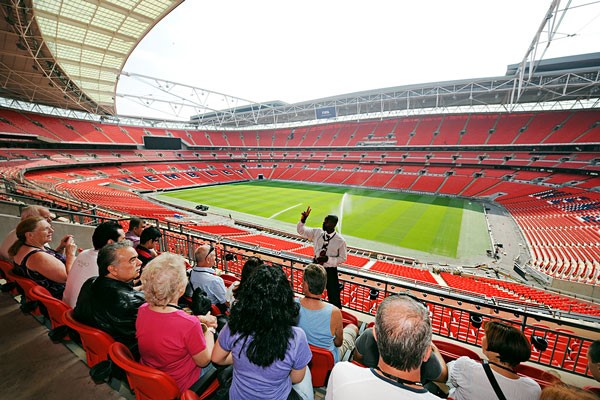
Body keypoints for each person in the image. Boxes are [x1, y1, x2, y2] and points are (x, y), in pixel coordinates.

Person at [211, 264, 312, 400]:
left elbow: (216, 358)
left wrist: (241, 358)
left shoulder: (234, 325)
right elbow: (296, 378)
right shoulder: (297, 337)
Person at [325, 295, 439, 399]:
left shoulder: (340, 373)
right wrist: (436, 350)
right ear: (427, 353)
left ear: (375, 335)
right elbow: (444, 376)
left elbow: (356, 357)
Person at [137, 253, 216, 394]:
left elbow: (167, 324)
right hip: (181, 384)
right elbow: (203, 361)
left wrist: (199, 319)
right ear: (180, 288)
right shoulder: (188, 324)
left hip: (153, 378)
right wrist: (210, 331)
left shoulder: (142, 310)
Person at [73, 241, 145, 353]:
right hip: (128, 354)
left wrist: (142, 287)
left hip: (94, 347)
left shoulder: (91, 282)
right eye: (132, 260)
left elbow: (120, 293)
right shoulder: (132, 302)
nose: (140, 262)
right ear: (113, 269)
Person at [445, 320, 541, 400]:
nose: (482, 338)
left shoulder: (466, 367)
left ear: (496, 348)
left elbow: (441, 375)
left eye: (486, 336)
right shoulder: (533, 389)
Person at [297, 263, 358, 363]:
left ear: (306, 285)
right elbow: (338, 343)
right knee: (353, 328)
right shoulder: (334, 312)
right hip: (327, 360)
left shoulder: (293, 304)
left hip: (300, 356)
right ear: (324, 286)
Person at [353, 327, 447, 390]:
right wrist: (436, 350)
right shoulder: (423, 351)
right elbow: (443, 377)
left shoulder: (368, 335)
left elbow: (357, 359)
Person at [9, 216, 77, 299]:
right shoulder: (37, 257)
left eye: (50, 227)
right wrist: (70, 254)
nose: (52, 231)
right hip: (63, 296)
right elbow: (68, 278)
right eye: (46, 229)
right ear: (30, 235)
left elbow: (51, 263)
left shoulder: (24, 246)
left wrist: (61, 247)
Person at [62, 221, 125, 307]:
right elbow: (121, 294)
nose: (125, 244)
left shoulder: (83, 253)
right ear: (110, 243)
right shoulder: (106, 264)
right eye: (123, 240)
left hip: (66, 308)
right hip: (80, 316)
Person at [297, 206, 347, 309]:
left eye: (326, 222)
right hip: (315, 267)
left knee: (334, 296)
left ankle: (336, 315)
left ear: (333, 225)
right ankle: (310, 308)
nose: (323, 223)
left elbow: (343, 258)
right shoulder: (317, 232)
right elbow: (301, 231)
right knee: (311, 291)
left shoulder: (340, 241)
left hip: (330, 270)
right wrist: (303, 219)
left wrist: (327, 259)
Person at [188, 244, 229, 314]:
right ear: (208, 260)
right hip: (212, 313)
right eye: (214, 256)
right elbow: (226, 302)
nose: (216, 259)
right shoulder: (215, 280)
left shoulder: (189, 273)